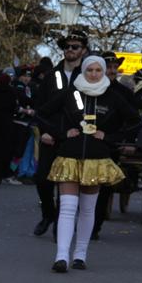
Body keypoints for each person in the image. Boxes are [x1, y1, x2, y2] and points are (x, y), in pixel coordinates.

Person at [34, 54, 141, 271]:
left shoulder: (113, 96)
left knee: (87, 209)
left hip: (97, 159)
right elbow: (41, 114)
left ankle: (80, 255)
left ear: (103, 71)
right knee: (67, 207)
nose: (93, 74)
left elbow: (136, 121)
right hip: (70, 155)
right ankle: (61, 257)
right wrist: (61, 133)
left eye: (98, 70)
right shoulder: (70, 92)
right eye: (89, 70)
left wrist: (110, 137)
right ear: (83, 71)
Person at [30, 30, 87, 235]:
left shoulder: (87, 75)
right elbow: (40, 107)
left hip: (75, 137)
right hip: (51, 135)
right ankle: (48, 214)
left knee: (68, 182)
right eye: (67, 46)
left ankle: (62, 225)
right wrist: (45, 131)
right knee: (42, 179)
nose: (70, 50)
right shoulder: (51, 76)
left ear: (83, 50)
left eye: (75, 46)